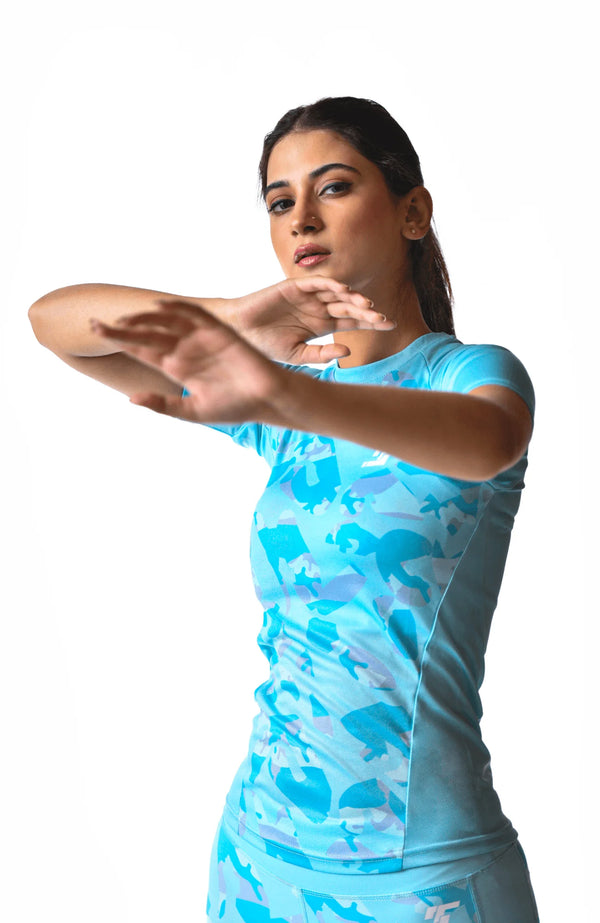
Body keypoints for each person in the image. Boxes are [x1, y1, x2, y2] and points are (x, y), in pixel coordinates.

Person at [28, 97, 539, 922]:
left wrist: (284, 393)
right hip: (258, 862)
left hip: (425, 880)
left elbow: (490, 441)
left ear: (413, 211)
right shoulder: (282, 400)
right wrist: (228, 320)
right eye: (279, 201)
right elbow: (55, 323)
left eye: (334, 187)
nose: (302, 217)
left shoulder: (468, 372)